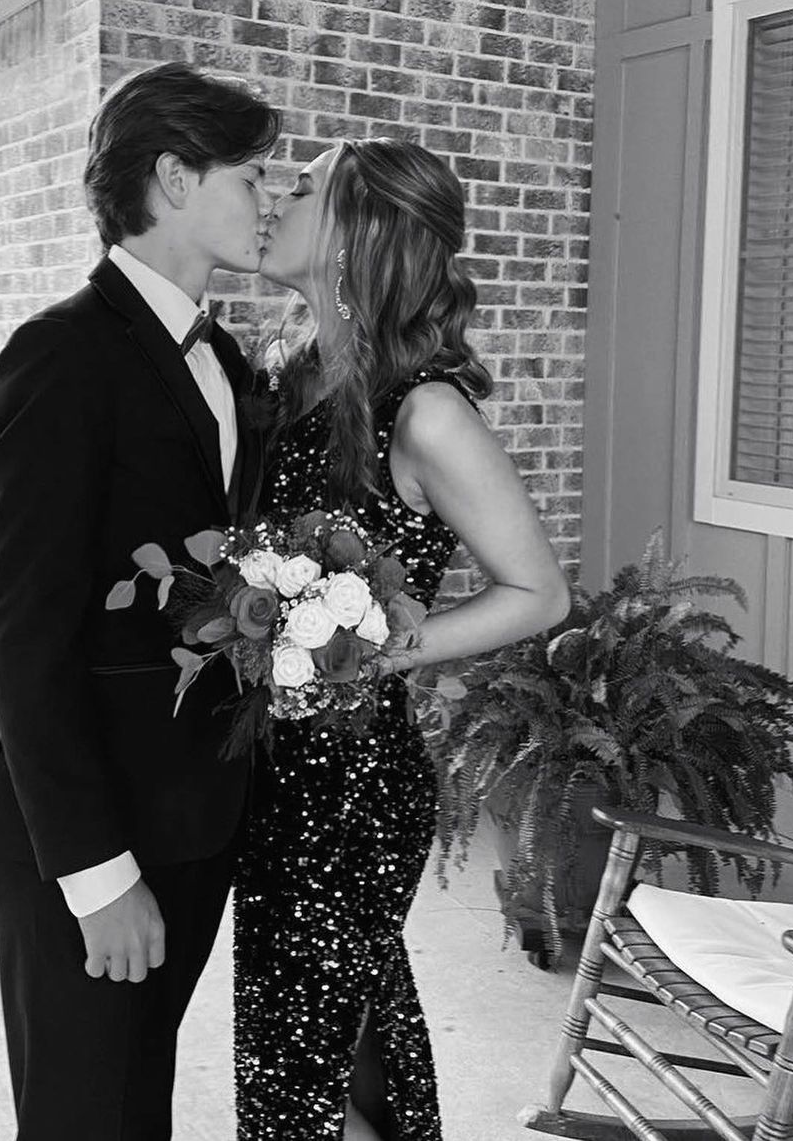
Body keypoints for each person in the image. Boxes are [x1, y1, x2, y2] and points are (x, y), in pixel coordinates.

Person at [0, 61, 279, 1140]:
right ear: (176, 178)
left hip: (194, 815)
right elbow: (22, 630)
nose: (268, 199)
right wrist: (94, 874)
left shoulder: (227, 359)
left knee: (141, 1105)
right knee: (82, 1118)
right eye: (252, 176)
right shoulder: (61, 354)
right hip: (88, 831)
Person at [234, 138, 571, 1141]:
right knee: (329, 1028)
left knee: (304, 1055)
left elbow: (540, 593)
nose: (276, 198)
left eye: (304, 189)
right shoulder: (288, 373)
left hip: (351, 785)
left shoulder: (423, 412)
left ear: (359, 235)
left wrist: (374, 650)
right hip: (273, 765)